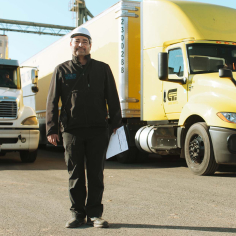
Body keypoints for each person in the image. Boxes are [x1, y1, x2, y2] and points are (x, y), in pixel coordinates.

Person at [46, 27, 122, 229]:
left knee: (96, 174)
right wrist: (52, 128)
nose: (81, 45)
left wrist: (115, 124)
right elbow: (52, 101)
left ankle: (95, 215)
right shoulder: (61, 70)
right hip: (72, 131)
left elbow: (112, 97)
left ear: (90, 45)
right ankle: (77, 214)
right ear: (71, 45)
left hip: (98, 129)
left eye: (85, 41)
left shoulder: (102, 68)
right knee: (75, 174)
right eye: (77, 41)